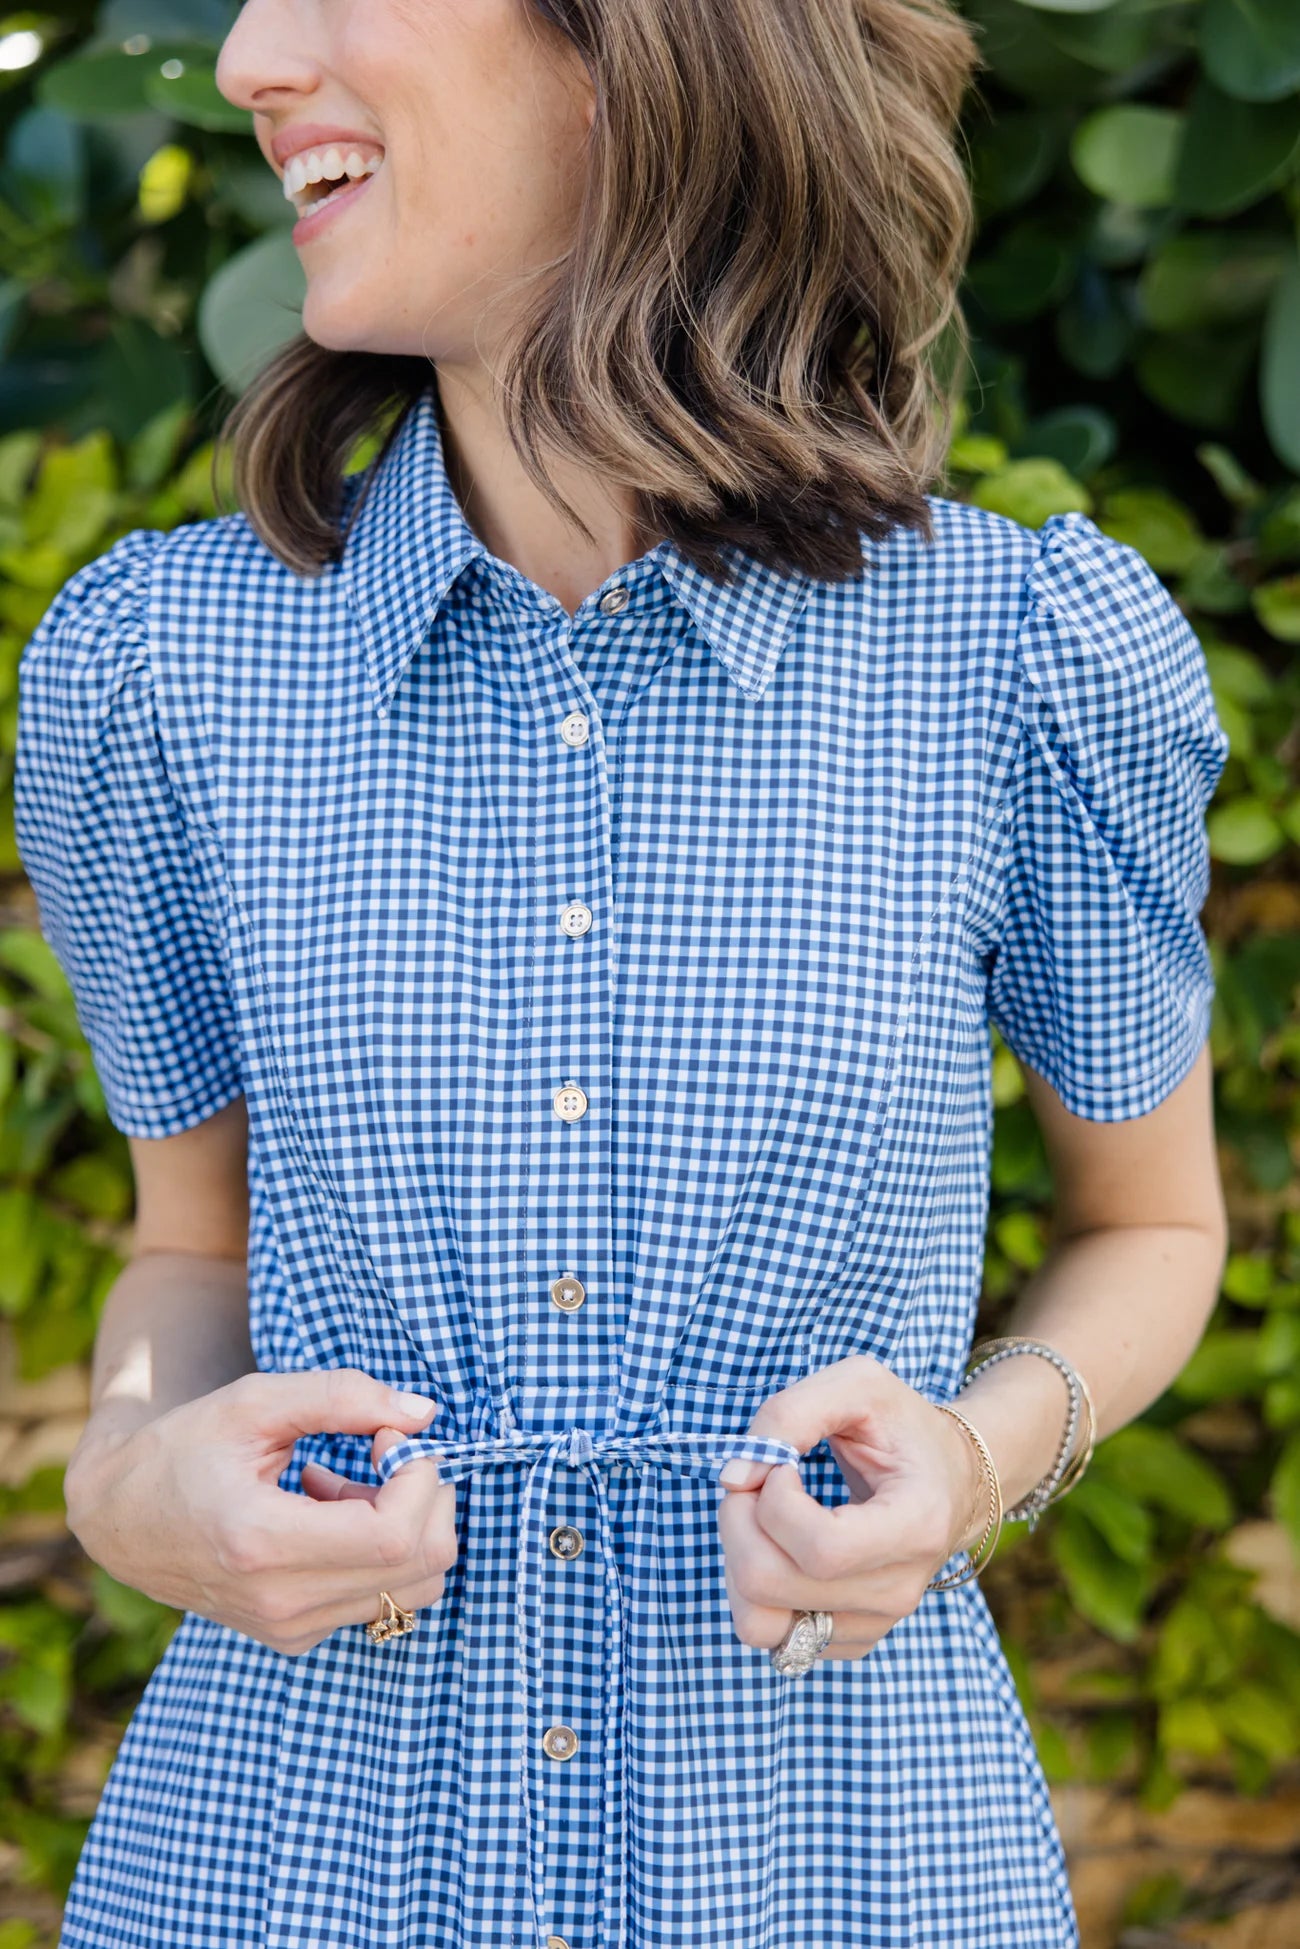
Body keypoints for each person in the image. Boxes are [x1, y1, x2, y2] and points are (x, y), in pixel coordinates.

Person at [12, 2, 1232, 1945]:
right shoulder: (168, 675)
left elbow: (1154, 1231)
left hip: (834, 1856)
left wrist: (966, 1453)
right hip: (290, 1861)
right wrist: (139, 1498)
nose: (249, 55)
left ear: (639, 44)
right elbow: (192, 1255)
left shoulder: (1019, 663)